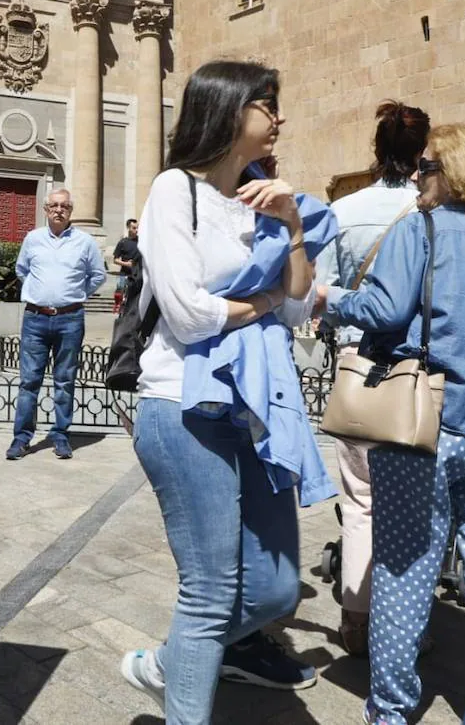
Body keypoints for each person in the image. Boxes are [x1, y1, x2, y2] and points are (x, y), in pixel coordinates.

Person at [118, 61, 331, 723]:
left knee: (272, 590)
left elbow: (298, 312)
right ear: (229, 110)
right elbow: (188, 314)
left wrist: (294, 226)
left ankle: (168, 661)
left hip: (254, 409)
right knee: (210, 591)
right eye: (268, 105)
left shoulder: (267, 198)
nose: (279, 118)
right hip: (181, 403)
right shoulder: (173, 191)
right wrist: (264, 298)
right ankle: (188, 683)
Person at [314, 122, 465, 725]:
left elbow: (385, 310)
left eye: (428, 166)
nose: (417, 175)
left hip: (427, 429)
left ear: (455, 173)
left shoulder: (421, 229)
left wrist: (331, 297)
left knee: (404, 572)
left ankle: (390, 710)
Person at [313, 99, 430, 657]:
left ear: (376, 149)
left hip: (358, 365)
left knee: (359, 501)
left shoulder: (344, 210)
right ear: (422, 152)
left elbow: (326, 298)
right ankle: (406, 624)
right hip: (421, 372)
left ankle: (355, 621)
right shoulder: (433, 210)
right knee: (415, 506)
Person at [5, 188, 106, 461]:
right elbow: (21, 270)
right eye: (54, 205)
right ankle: (21, 439)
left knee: (65, 381)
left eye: (64, 206)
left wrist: (74, 294)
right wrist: (40, 292)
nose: (59, 210)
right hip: (35, 318)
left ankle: (61, 436)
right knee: (29, 382)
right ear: (45, 209)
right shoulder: (32, 239)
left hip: (70, 319)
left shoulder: (85, 242)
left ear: (70, 210)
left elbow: (98, 275)